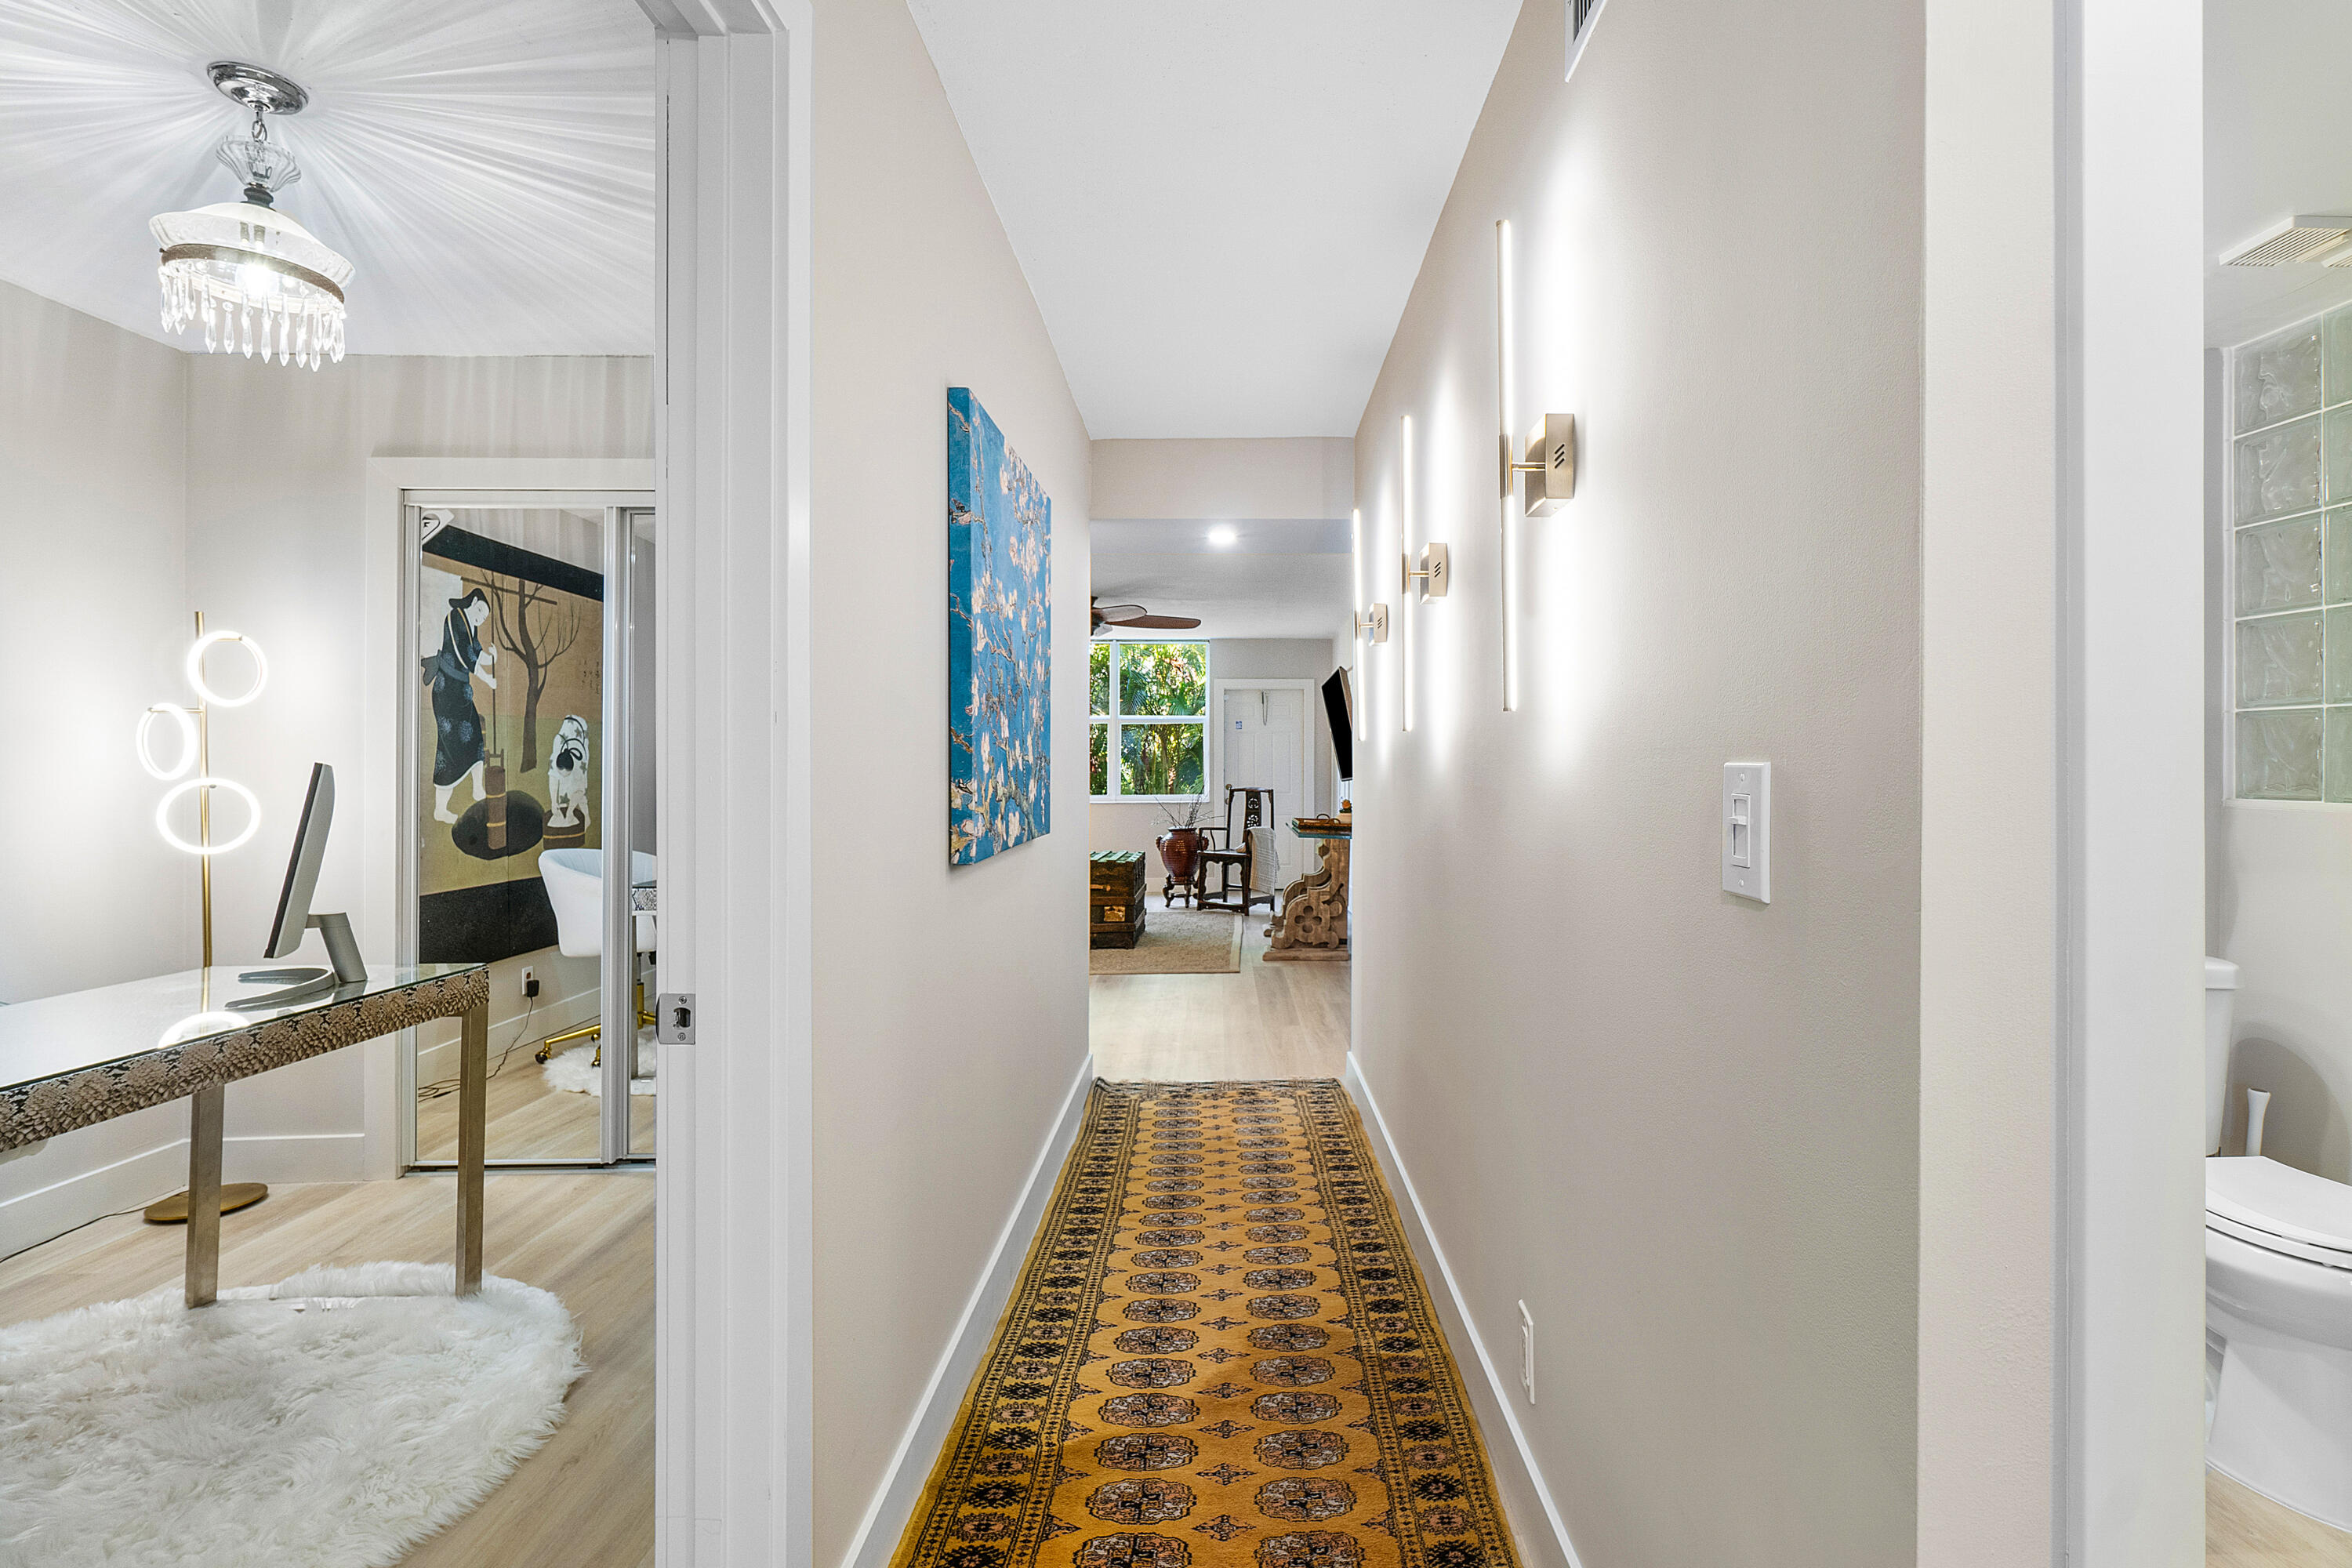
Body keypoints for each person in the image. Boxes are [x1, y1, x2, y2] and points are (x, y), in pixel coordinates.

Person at [426, 588, 498, 823]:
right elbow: (465, 656)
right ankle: (441, 808)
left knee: (476, 736)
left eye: (484, 618)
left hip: (462, 693)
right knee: (448, 750)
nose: (480, 619)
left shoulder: (471, 625)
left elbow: (476, 651)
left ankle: (478, 789)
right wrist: (487, 678)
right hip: (447, 692)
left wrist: (492, 657)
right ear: (473, 602)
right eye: (480, 612)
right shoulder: (454, 618)